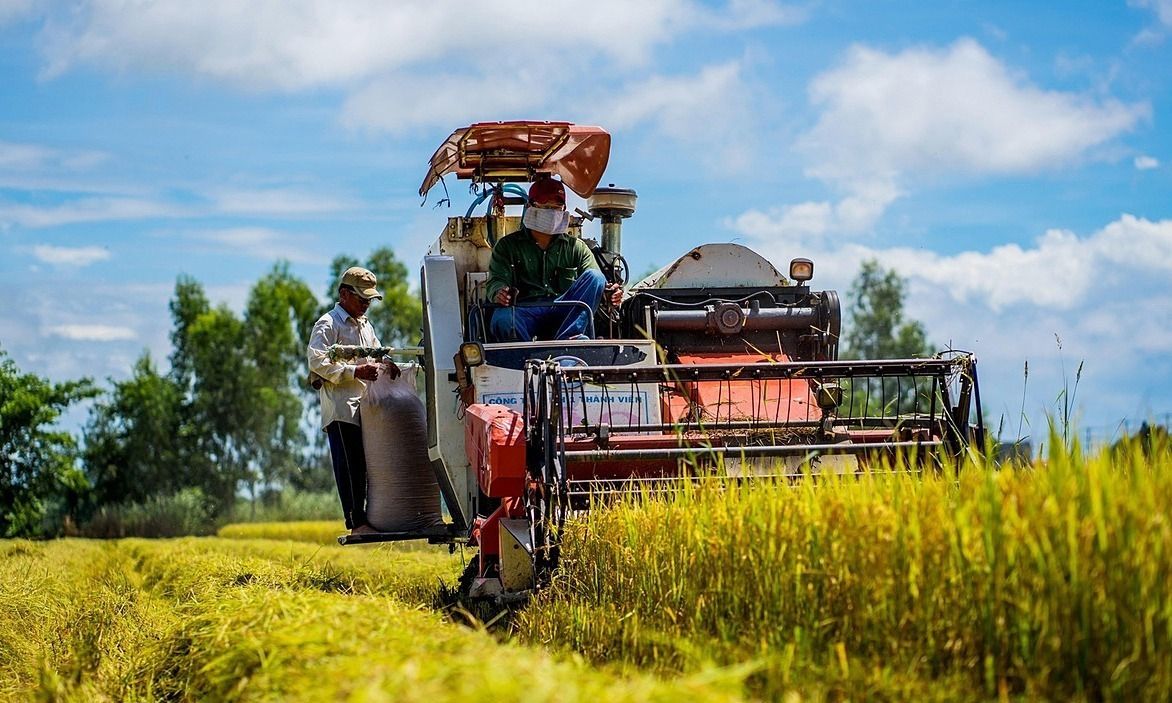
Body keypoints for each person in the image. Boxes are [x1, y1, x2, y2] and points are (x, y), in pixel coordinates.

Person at [307, 266, 398, 536]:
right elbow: (317, 361)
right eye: (362, 299)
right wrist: (354, 371)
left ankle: (371, 518)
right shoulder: (328, 323)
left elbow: (376, 351)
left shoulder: (365, 326)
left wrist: (387, 362)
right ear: (344, 294)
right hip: (341, 409)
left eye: (369, 300)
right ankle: (356, 523)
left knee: (369, 465)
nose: (366, 305)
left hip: (366, 406)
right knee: (351, 467)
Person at [485, 177, 623, 341]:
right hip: (524, 311)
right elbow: (496, 281)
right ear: (530, 207)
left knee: (596, 277)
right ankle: (524, 357)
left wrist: (609, 293)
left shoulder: (576, 247)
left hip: (564, 311)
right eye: (547, 207)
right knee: (503, 319)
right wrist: (499, 292)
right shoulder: (507, 246)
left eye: (557, 208)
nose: (552, 213)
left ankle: (568, 341)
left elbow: (595, 283)